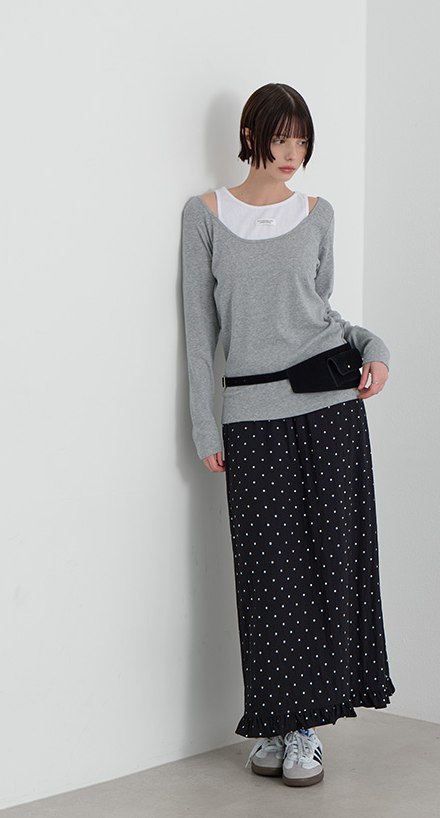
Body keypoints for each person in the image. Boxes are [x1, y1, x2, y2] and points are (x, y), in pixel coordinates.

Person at [181, 83, 395, 787]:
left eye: (302, 140)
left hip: (329, 408)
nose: (292, 153)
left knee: (327, 568)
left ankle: (303, 729)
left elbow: (320, 313)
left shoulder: (318, 213)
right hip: (251, 416)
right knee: (268, 577)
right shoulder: (204, 214)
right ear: (252, 134)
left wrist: (374, 346)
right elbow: (200, 333)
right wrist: (206, 424)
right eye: (281, 137)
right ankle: (278, 721)